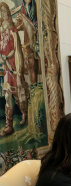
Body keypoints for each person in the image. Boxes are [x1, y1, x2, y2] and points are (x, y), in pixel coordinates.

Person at [0, 2, 29, 136]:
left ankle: (24, 113)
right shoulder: (1, 31)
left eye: (5, 12)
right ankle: (8, 125)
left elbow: (17, 49)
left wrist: (18, 68)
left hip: (14, 66)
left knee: (18, 93)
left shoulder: (13, 29)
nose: (3, 15)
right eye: (1, 13)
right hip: (6, 67)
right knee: (7, 95)